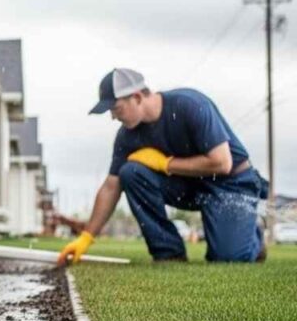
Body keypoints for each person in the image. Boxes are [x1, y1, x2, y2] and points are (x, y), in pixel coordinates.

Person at [58, 68, 268, 265]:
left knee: (227, 258)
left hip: (230, 184)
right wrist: (86, 237)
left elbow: (222, 163)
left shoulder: (189, 104)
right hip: (189, 187)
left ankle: (254, 237)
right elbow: (111, 186)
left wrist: (165, 163)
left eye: (116, 108)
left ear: (137, 97)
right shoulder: (127, 136)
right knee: (130, 172)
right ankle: (169, 252)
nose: (113, 117)